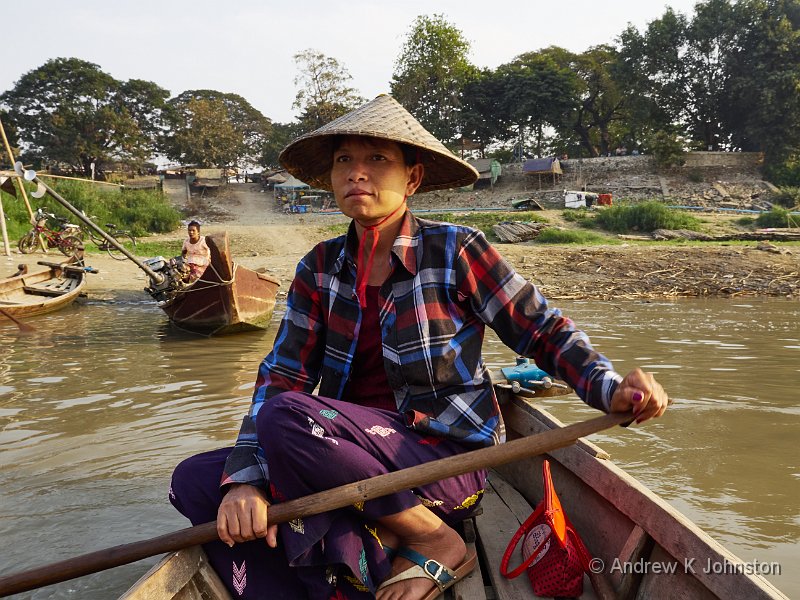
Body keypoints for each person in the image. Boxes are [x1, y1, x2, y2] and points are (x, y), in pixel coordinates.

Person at [169, 94, 669, 600]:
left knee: (287, 421)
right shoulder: (318, 268)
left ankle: (432, 538)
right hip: (342, 453)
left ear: (412, 179)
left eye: (377, 160)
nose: (356, 174)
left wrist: (609, 389)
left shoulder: (457, 250)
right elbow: (283, 377)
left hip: (440, 461)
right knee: (195, 480)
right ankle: (351, 558)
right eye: (345, 160)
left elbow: (542, 331)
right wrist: (247, 481)